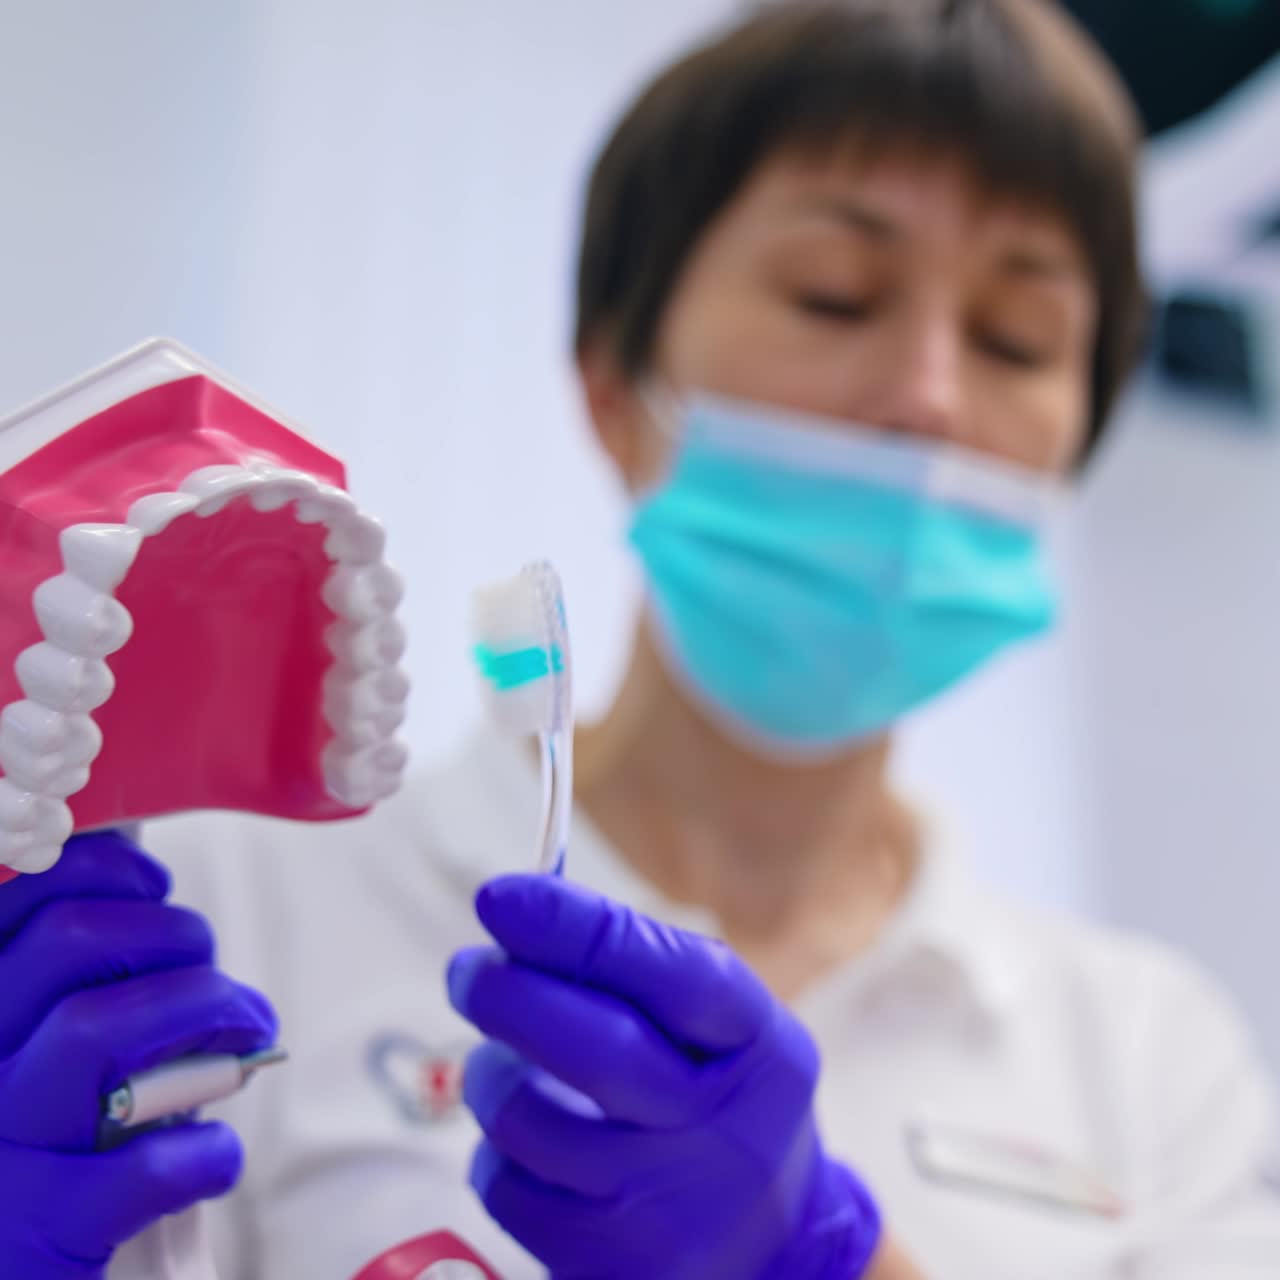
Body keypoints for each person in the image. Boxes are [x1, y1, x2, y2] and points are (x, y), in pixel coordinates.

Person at [2, 1, 1277, 1277]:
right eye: (835, 296)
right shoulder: (236, 918)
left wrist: (823, 1259)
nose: (930, 397)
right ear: (614, 383)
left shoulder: (1148, 1063)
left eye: (1015, 339)